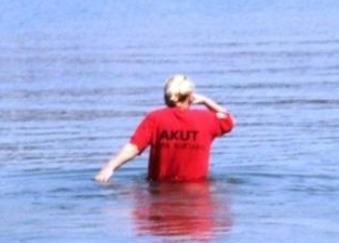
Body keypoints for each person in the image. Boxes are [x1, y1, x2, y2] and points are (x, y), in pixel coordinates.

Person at [95, 74, 235, 184]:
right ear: (190, 97)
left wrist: (110, 167)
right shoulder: (207, 119)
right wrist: (206, 101)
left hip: (159, 194)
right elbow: (229, 120)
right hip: (197, 197)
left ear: (166, 96)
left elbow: (134, 147)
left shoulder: (154, 118)